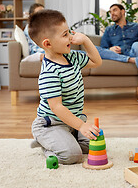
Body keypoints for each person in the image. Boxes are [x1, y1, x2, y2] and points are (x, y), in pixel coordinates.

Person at [29, 9, 102, 164]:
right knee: (72, 156)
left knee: (93, 145)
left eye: (69, 32)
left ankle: (64, 138)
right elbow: (57, 107)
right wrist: (81, 126)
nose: (71, 37)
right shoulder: (49, 72)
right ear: (47, 43)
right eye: (65, 35)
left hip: (72, 121)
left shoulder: (73, 57)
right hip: (51, 124)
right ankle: (45, 141)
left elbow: (96, 62)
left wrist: (86, 41)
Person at [99, 4, 138, 102]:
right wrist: (110, 49)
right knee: (96, 49)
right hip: (118, 55)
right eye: (110, 12)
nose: (112, 14)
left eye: (114, 10)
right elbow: (103, 48)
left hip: (133, 52)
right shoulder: (109, 30)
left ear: (122, 12)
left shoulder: (135, 26)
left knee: (137, 44)